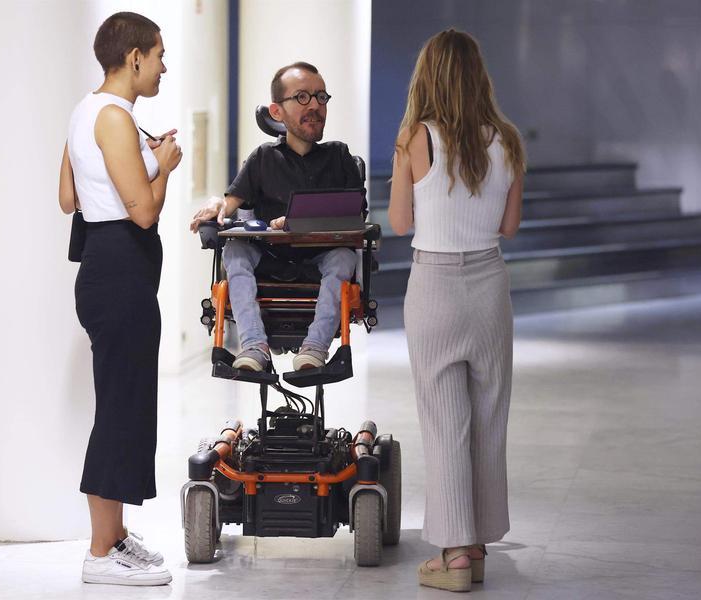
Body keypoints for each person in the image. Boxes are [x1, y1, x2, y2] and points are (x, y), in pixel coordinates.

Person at [388, 29, 525, 593]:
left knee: (446, 422)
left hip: (435, 286)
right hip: (490, 285)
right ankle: (479, 544)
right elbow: (509, 227)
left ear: (428, 77)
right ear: (478, 77)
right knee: (489, 418)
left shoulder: (415, 138)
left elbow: (400, 222)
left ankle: (455, 556)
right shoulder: (508, 140)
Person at [58, 11, 182, 586]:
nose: (163, 67)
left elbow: (69, 198)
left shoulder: (87, 112)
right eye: (158, 56)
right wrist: (165, 167)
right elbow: (145, 210)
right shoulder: (113, 117)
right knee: (120, 410)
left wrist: (142, 158)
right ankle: (100, 553)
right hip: (119, 274)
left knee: (122, 404)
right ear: (134, 58)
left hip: (105, 269)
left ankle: (114, 536)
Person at [190, 62, 363, 372]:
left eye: (321, 97)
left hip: (320, 257)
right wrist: (217, 203)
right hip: (270, 258)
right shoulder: (263, 158)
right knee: (235, 251)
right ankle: (254, 345)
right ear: (277, 111)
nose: (314, 106)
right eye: (302, 97)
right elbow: (230, 203)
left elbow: (354, 216)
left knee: (343, 258)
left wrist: (297, 222)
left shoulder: (339, 157)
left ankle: (314, 348)